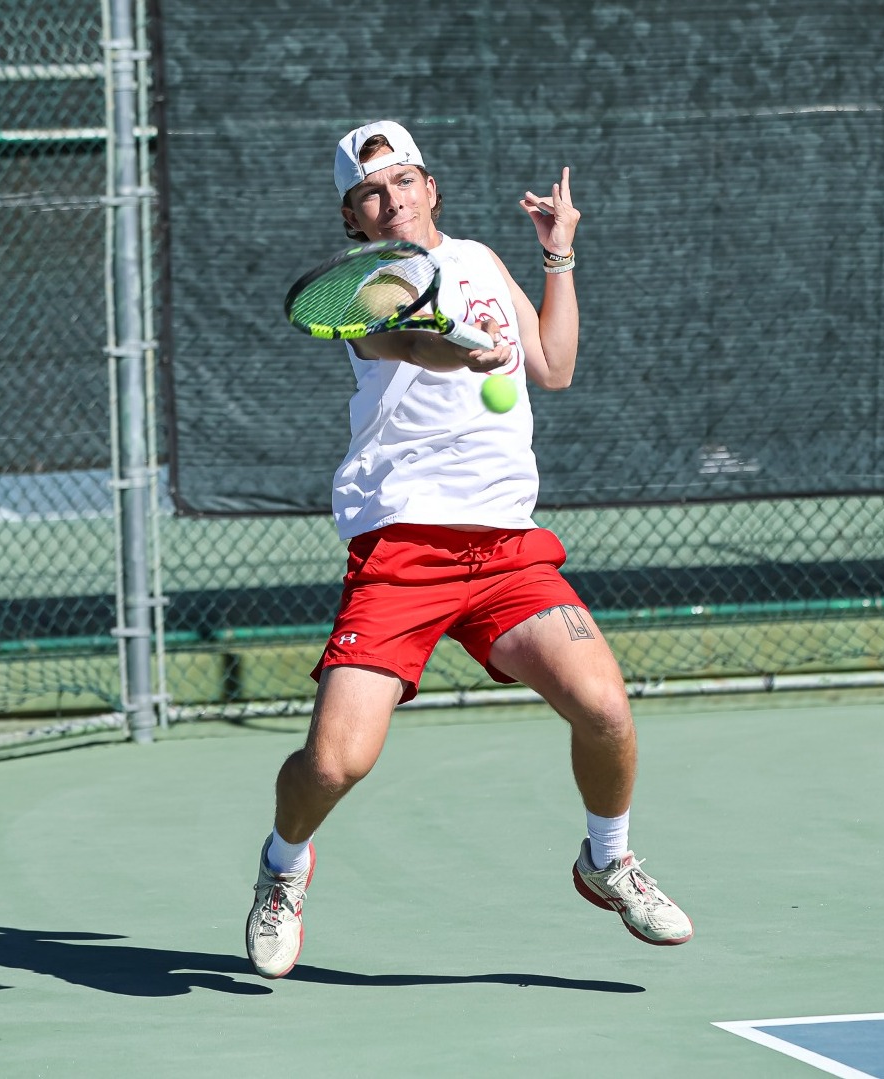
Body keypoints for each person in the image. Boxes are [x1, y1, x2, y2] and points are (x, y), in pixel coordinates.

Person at [245, 120, 692, 979]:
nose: (393, 200)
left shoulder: (484, 260)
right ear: (354, 217)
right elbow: (405, 338)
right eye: (372, 193)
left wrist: (558, 256)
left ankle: (608, 859)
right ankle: (283, 865)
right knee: (336, 762)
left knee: (604, 706)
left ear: (430, 186)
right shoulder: (364, 285)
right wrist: (463, 350)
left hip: (506, 548)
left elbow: (553, 365)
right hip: (403, 546)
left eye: (405, 181)